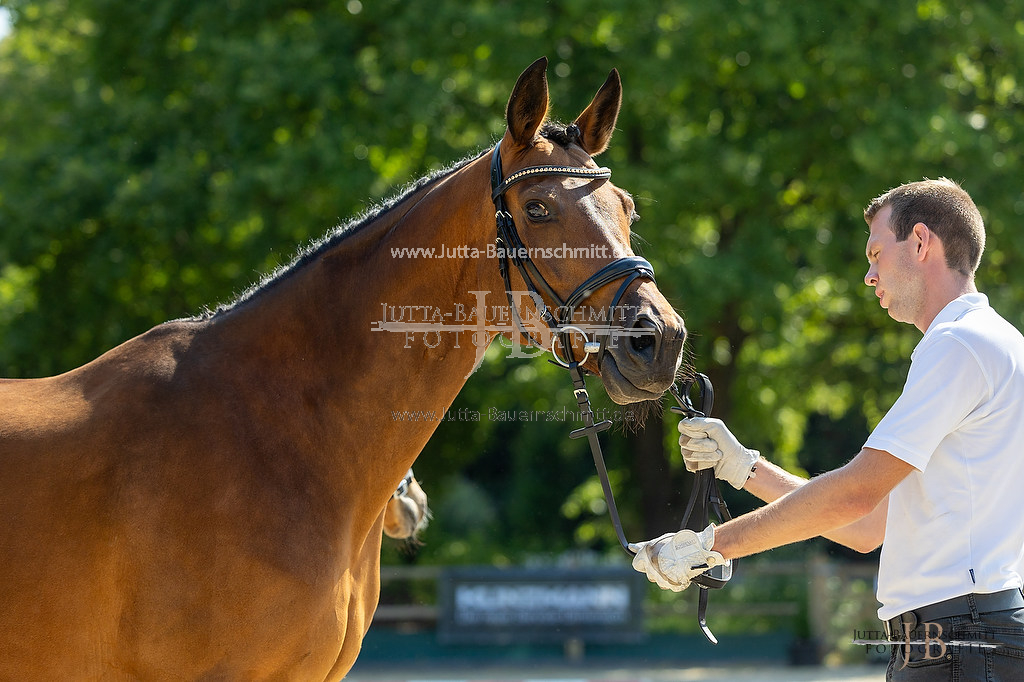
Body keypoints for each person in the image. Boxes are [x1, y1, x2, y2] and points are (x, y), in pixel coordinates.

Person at [630, 178, 1024, 680]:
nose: (869, 274)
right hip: (963, 639)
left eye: (877, 254)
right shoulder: (993, 340)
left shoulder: (959, 344)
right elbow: (866, 528)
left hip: (961, 644)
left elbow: (855, 494)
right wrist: (745, 467)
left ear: (921, 242)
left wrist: (707, 546)